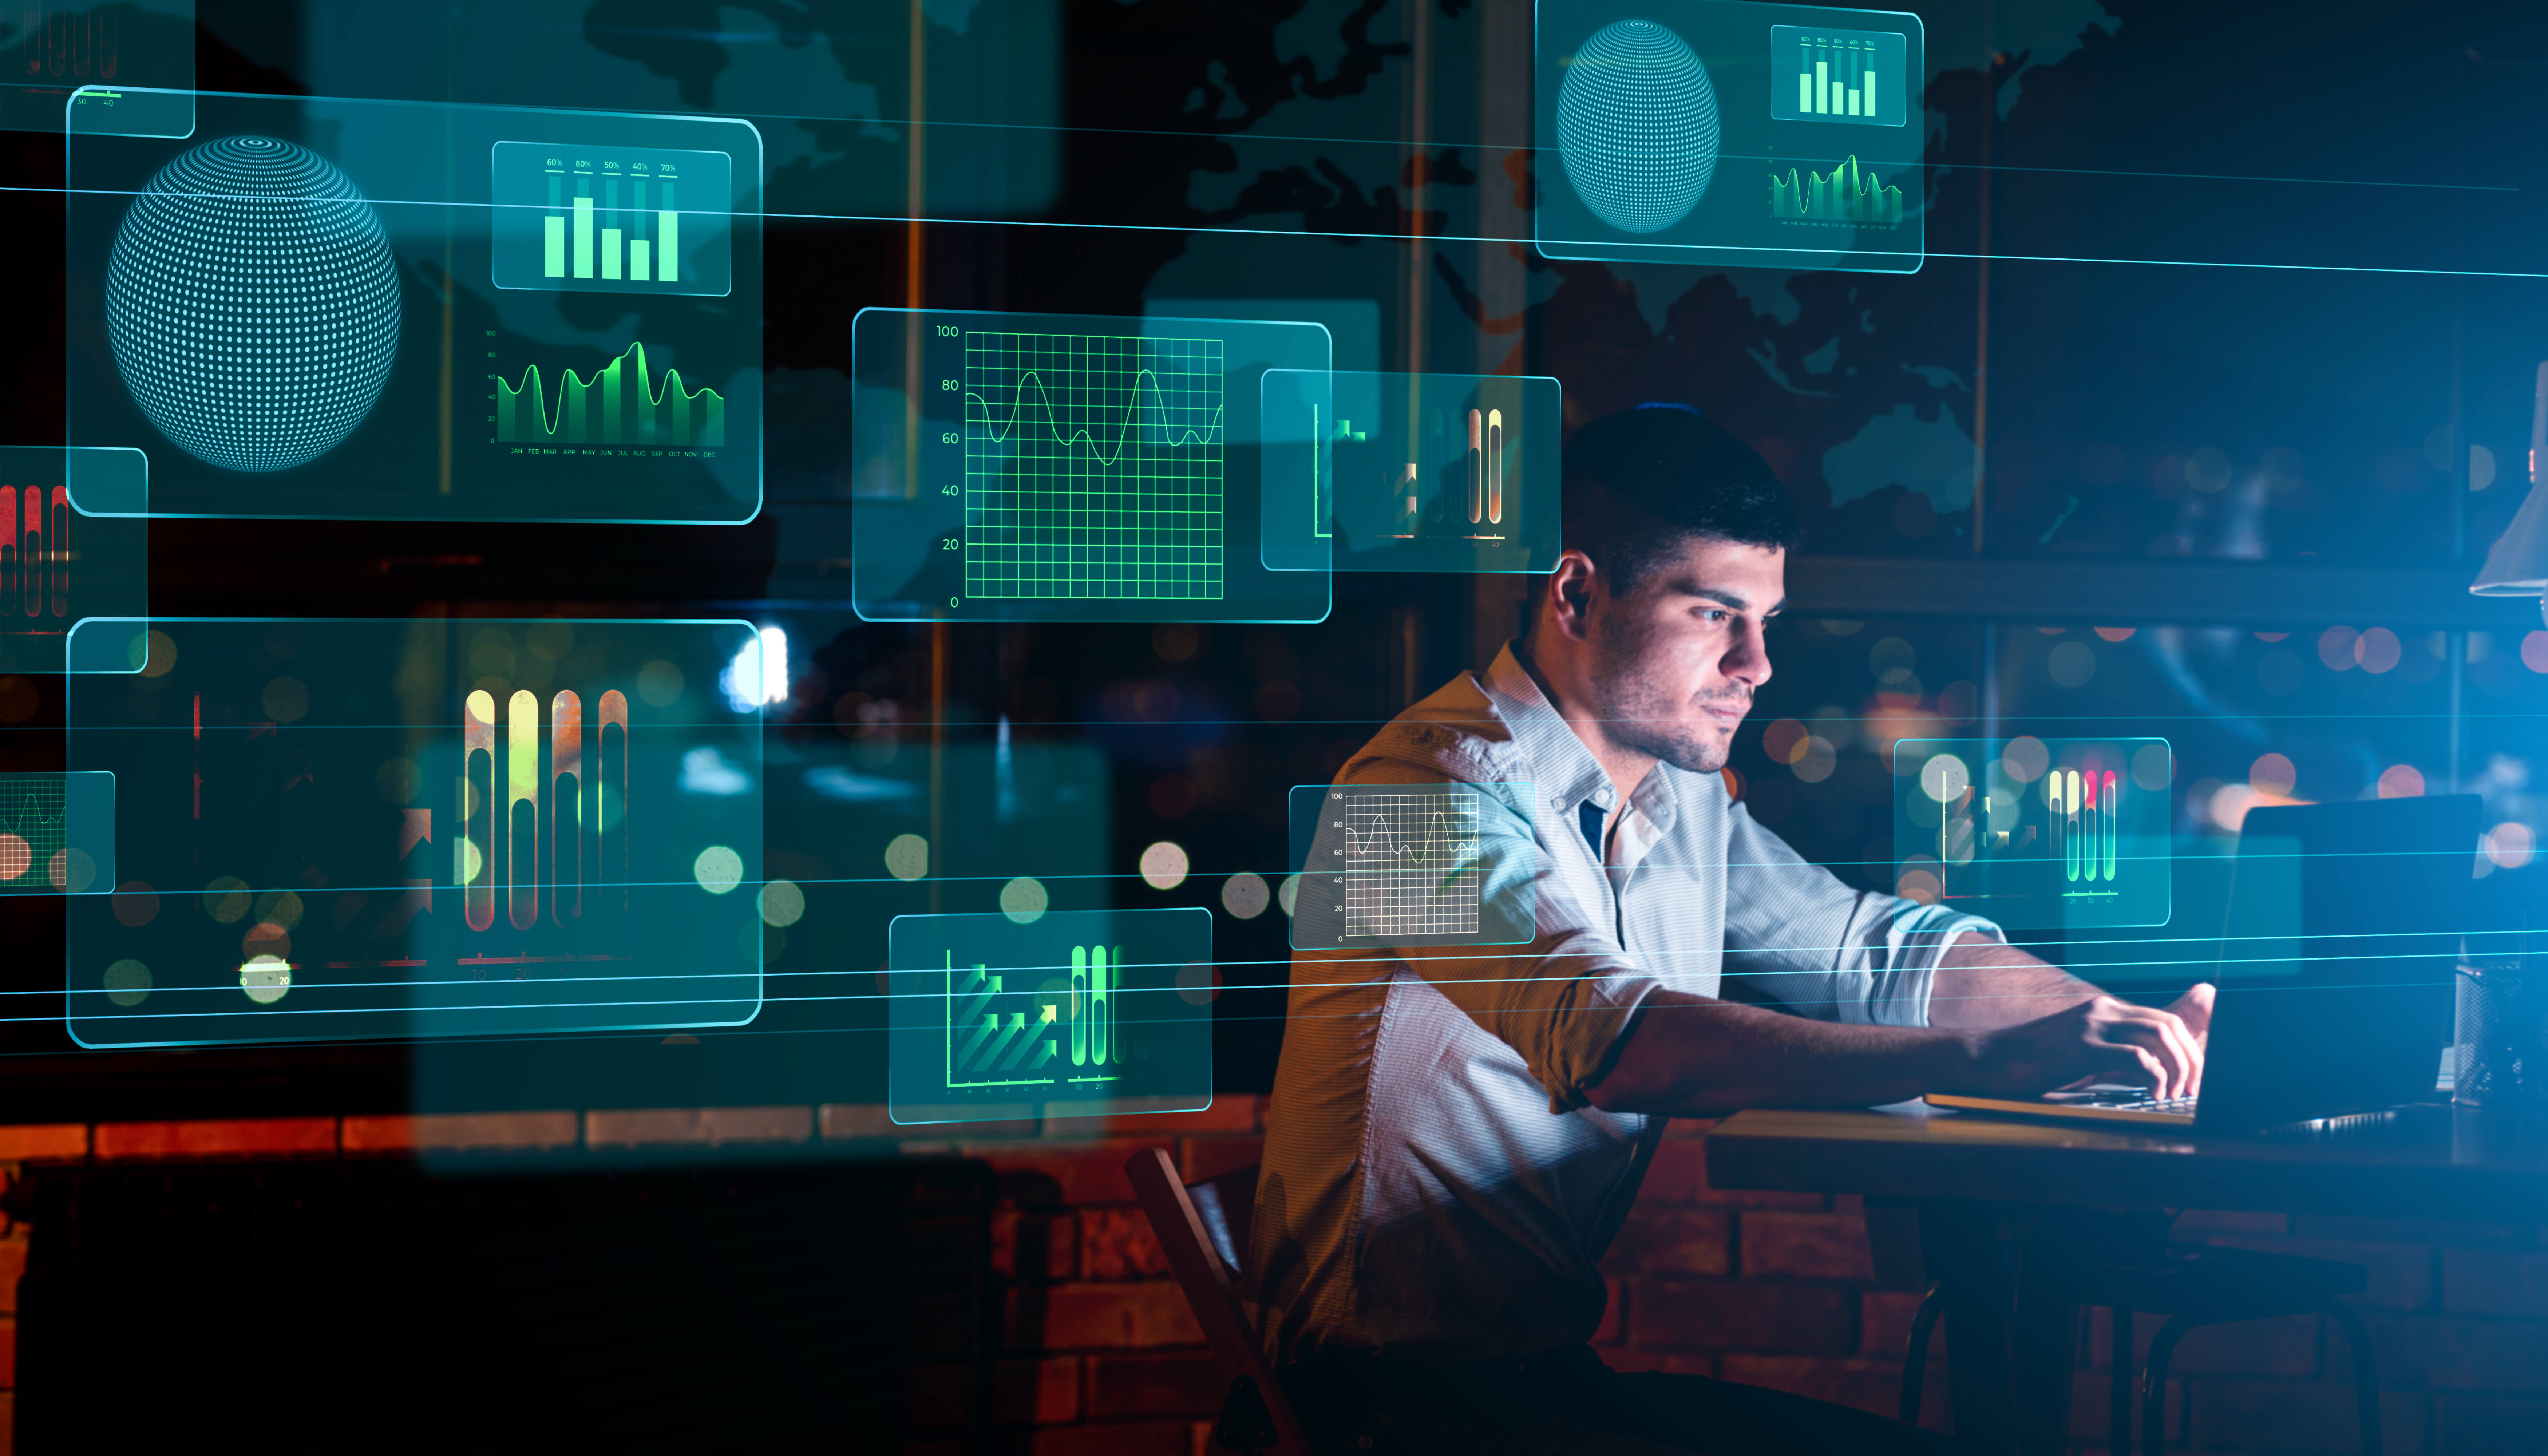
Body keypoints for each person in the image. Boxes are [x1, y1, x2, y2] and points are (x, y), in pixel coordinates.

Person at [1247, 404, 2213, 1455]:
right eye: (1715, 615)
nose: (1757, 665)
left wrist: (2115, 1025)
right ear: (1575, 593)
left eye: (1767, 621)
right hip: (1385, 1415)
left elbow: (1868, 953)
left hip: (1543, 1388)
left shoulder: (1677, 800)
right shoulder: (1414, 796)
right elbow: (1623, 1043)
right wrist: (1990, 1060)